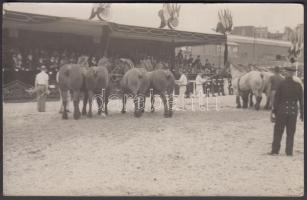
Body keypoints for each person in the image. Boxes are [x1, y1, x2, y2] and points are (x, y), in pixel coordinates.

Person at [270, 65, 304, 156]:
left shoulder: (281, 84)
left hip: (282, 110)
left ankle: (275, 150)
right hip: (293, 112)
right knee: (291, 132)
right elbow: (301, 100)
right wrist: (302, 114)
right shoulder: (298, 85)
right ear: (293, 73)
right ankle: (289, 152)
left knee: (278, 131)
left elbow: (277, 99)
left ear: (287, 73)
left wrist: (274, 112)